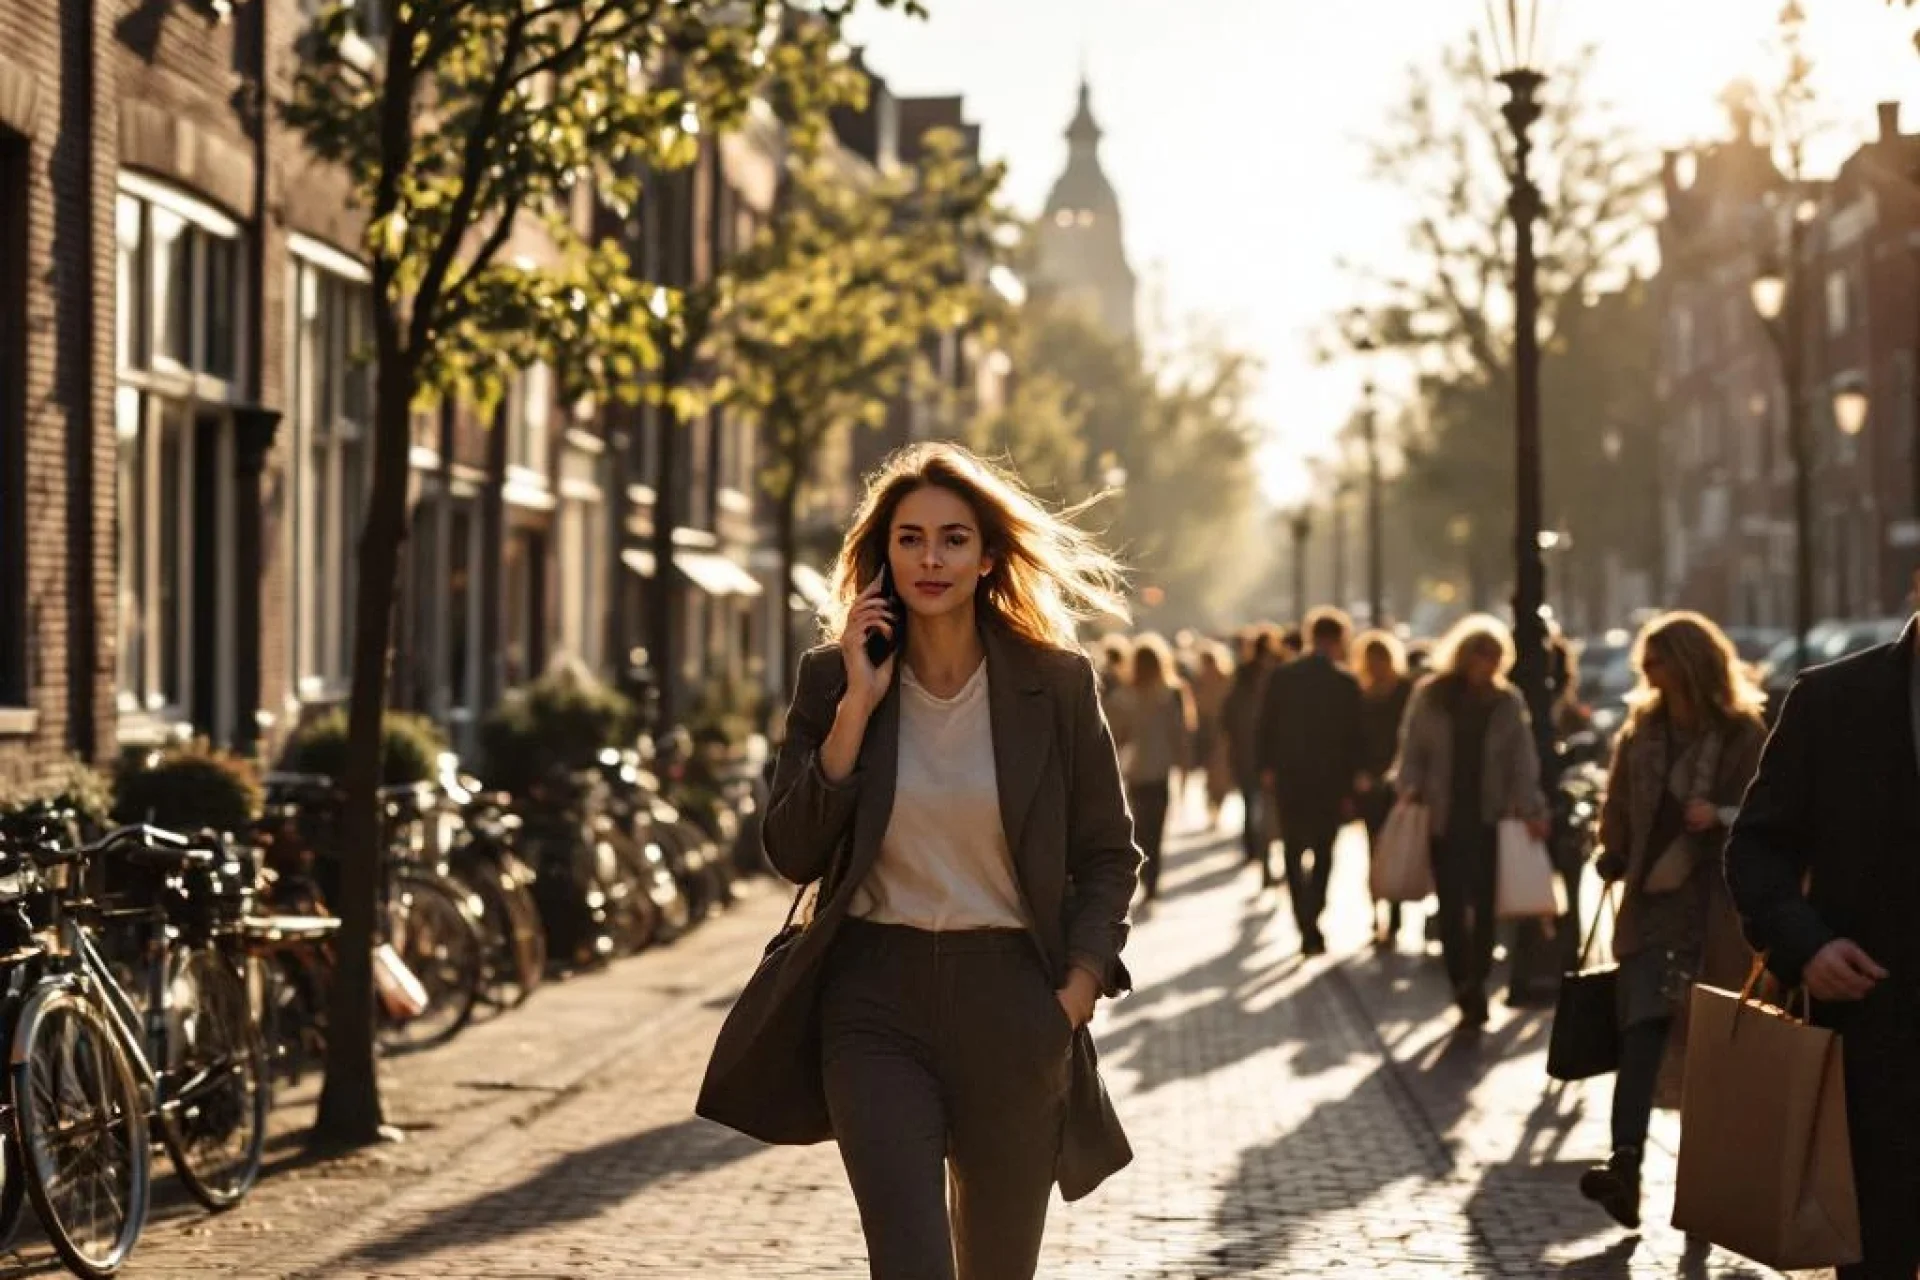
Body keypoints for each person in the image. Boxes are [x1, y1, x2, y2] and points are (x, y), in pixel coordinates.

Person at [753, 442, 1141, 1279]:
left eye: (954, 539)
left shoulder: (1058, 685)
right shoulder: (830, 680)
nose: (931, 558)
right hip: (872, 1003)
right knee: (912, 1265)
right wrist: (859, 704)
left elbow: (1109, 852)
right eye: (910, 538)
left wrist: (1074, 992)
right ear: (882, 554)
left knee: (999, 1268)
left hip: (1014, 1000)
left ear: (987, 555)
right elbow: (791, 850)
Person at [1726, 612, 1920, 1279]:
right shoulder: (1835, 699)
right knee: (1880, 1251)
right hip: (1877, 1041)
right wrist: (1807, 946)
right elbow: (1756, 846)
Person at [1577, 613, 1765, 1232]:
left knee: (1709, 1050)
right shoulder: (1642, 730)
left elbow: (1768, 815)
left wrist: (1721, 814)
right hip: (1652, 905)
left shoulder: (1741, 734)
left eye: (1655, 660)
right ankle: (1624, 1165)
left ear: (1687, 662)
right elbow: (1618, 805)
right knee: (1641, 1032)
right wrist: (1612, 849)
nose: (1645, 672)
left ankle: (1706, 1187)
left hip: (1714, 906)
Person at [1392, 615, 1549, 1025]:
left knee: (1483, 905)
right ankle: (1460, 978)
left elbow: (1522, 760)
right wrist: (1409, 785)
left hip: (1488, 818)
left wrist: (1530, 807)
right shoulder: (1431, 696)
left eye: (1496, 657)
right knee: (1449, 903)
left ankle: (1477, 982)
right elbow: (1412, 748)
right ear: (1464, 656)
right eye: (1483, 656)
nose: (1490, 665)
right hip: (1444, 815)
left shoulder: (1507, 702)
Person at [1258, 608, 1363, 956]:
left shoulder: (1283, 676)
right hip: (1329, 782)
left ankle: (1304, 918)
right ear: (1339, 640)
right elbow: (1353, 739)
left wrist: (1267, 767)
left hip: (1291, 777)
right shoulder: (1345, 682)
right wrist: (1349, 787)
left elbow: (1266, 725)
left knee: (1292, 848)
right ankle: (1312, 915)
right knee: (1323, 851)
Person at [1106, 632, 1195, 903]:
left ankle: (1146, 875)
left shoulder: (1123, 696)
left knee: (1141, 827)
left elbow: (1112, 735)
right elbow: (1180, 735)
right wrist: (1184, 770)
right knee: (1156, 828)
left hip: (1135, 772)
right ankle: (1152, 878)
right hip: (1160, 771)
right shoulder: (1172, 694)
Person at [1353, 629, 1415, 950]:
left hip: (1399, 784)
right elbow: (1353, 739)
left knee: (1397, 848)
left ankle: (1395, 915)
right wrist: (1359, 773)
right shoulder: (1361, 695)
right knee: (1374, 851)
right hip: (1370, 785)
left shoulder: (1406, 692)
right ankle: (1377, 914)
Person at [1226, 626, 1282, 878]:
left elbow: (1229, 713)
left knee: (1251, 803)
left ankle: (1254, 850)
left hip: (1246, 750)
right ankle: (1263, 852)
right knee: (1266, 806)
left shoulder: (1244, 673)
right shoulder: (1277, 673)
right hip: (1266, 751)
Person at [1189, 640, 1237, 826]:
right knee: (1210, 777)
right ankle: (1212, 808)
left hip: (1223, 734)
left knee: (1221, 777)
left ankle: (1217, 806)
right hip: (1206, 734)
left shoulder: (1227, 680)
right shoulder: (1199, 683)